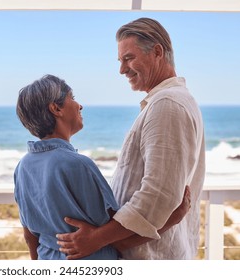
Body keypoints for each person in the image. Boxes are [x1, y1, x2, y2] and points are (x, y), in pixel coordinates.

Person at [57, 17, 205, 260]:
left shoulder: (167, 105)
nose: (122, 69)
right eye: (120, 60)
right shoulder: (168, 102)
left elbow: (158, 196)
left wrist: (97, 239)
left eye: (129, 58)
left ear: (157, 52)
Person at [14, 74, 190, 260]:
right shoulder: (78, 165)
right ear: (56, 108)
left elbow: (30, 237)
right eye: (72, 98)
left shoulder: (23, 167)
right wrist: (173, 218)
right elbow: (118, 239)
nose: (79, 105)